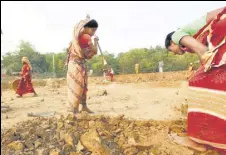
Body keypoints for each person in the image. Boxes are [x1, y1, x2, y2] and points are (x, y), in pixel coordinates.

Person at [165, 7, 226, 153]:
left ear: (172, 44)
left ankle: (201, 140)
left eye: (170, 51)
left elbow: (205, 54)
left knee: (199, 82)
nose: (174, 54)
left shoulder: (179, 35)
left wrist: (207, 62)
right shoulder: (192, 40)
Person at [65, 15, 99, 114]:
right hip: (77, 65)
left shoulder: (77, 37)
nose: (93, 33)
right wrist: (96, 42)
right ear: (86, 28)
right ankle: (73, 108)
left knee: (82, 86)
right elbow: (95, 51)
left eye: (95, 31)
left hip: (74, 64)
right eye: (93, 30)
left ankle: (83, 106)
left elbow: (86, 52)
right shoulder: (86, 36)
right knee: (78, 86)